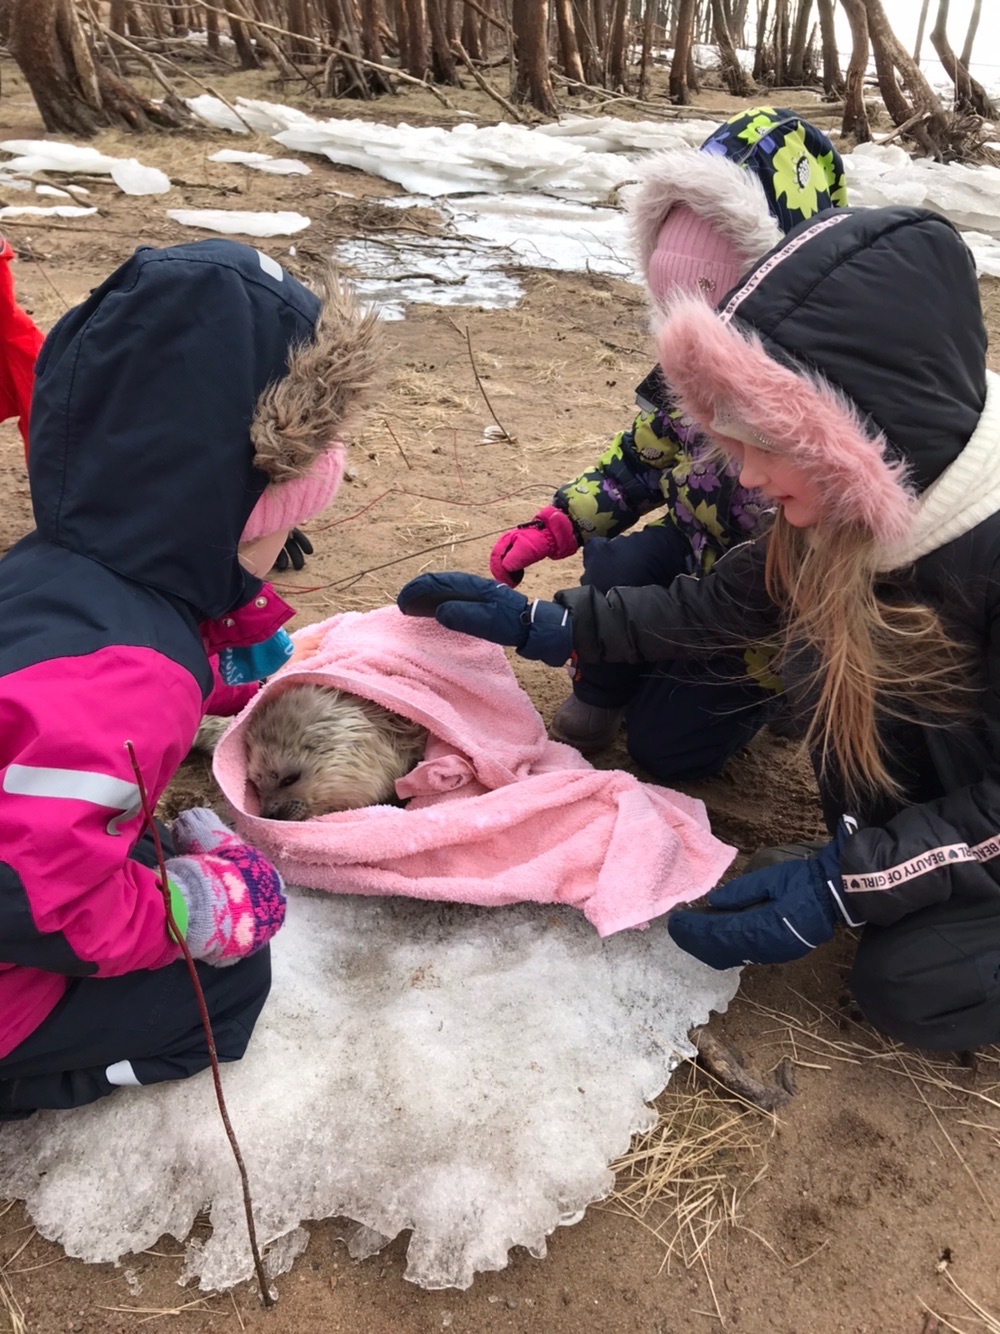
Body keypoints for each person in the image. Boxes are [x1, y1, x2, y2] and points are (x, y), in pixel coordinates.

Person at [397, 204, 1000, 1052]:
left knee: (913, 988)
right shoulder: (835, 519)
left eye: (767, 444)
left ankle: (910, 874)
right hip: (956, 804)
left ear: (861, 435)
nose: (745, 474)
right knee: (824, 664)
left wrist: (846, 886)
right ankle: (890, 847)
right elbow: (708, 609)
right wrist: (543, 624)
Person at [0, 239, 376, 1118]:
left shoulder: (56, 573)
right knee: (232, 987)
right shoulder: (139, 675)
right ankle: (37, 1078)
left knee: (125, 849)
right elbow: (28, 895)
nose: (284, 554)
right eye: (279, 528)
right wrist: (187, 907)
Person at [488, 107, 847, 778]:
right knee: (616, 566)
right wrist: (558, 524)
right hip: (692, 546)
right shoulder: (691, 368)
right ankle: (601, 692)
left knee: (664, 750)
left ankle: (763, 698)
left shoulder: (823, 394)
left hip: (766, 604)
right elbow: (640, 461)